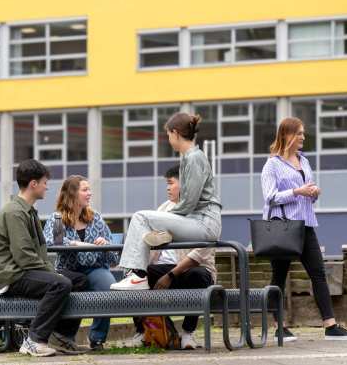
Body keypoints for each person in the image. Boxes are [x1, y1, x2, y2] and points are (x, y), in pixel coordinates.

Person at [261, 117, 347, 341]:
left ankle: (330, 325)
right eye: (300, 133)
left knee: (319, 273)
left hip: (306, 224)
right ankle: (279, 327)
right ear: (286, 135)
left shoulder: (304, 161)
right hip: (282, 226)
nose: (303, 137)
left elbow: (306, 196)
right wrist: (298, 192)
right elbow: (270, 197)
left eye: (304, 133)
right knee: (279, 277)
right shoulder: (272, 164)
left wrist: (312, 194)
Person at [110, 112, 222, 291]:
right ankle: (135, 275)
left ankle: (137, 275)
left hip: (203, 223)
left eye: (168, 135)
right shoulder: (190, 157)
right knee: (146, 221)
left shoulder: (194, 158)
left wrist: (166, 219)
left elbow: (189, 202)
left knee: (141, 217)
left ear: (175, 133)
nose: (168, 138)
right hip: (200, 222)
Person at [0, 159, 88, 357]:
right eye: (44, 182)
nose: (47, 186)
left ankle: (60, 337)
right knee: (61, 284)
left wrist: (53, 272)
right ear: (33, 184)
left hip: (26, 271)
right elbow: (24, 257)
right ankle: (34, 340)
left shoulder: (28, 210)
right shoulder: (14, 212)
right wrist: (54, 273)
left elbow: (36, 255)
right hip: (13, 276)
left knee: (79, 279)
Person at [130, 164, 216, 349]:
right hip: (164, 268)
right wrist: (137, 268)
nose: (168, 188)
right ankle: (147, 330)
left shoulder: (204, 210)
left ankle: (188, 333)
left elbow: (200, 253)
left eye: (171, 183)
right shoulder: (163, 209)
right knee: (136, 276)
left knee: (197, 275)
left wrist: (170, 276)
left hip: (190, 269)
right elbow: (149, 242)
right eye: (166, 184)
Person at [43, 175, 118, 350]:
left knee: (109, 288)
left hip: (94, 269)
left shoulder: (96, 218)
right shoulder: (57, 218)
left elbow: (114, 257)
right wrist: (75, 243)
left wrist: (105, 246)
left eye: (89, 189)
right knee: (72, 286)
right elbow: (50, 242)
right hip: (67, 270)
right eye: (85, 190)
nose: (89, 193)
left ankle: (97, 339)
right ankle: (65, 337)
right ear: (72, 194)